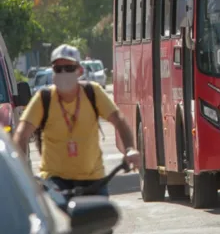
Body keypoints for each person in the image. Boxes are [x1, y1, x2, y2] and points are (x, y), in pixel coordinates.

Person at [13, 44, 140, 197]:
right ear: (53, 73)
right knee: (55, 217)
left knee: (103, 216)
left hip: (93, 178)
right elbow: (22, 134)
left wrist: (130, 149)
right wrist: (20, 170)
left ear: (79, 71)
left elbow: (119, 120)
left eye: (69, 68)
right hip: (55, 181)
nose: (63, 73)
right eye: (58, 69)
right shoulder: (43, 98)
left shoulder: (92, 92)